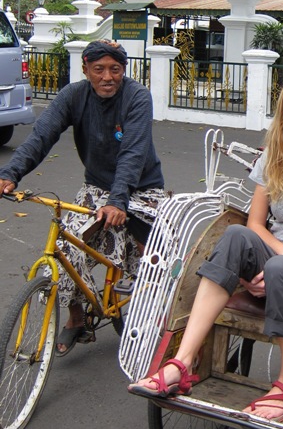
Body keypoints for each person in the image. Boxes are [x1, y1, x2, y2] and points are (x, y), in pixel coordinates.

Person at [128, 74, 283, 421]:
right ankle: (182, 362)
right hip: (281, 259)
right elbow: (255, 226)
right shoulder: (274, 158)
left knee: (281, 268)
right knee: (235, 235)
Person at [0, 40, 166, 355]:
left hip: (142, 189)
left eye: (115, 69)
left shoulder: (137, 96)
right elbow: (41, 136)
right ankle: (77, 319)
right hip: (97, 189)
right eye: (99, 69)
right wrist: (10, 173)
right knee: (65, 252)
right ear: (86, 69)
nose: (107, 77)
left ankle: (153, 311)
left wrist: (118, 200)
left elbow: (132, 152)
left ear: (124, 70)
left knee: (151, 259)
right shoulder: (73, 95)